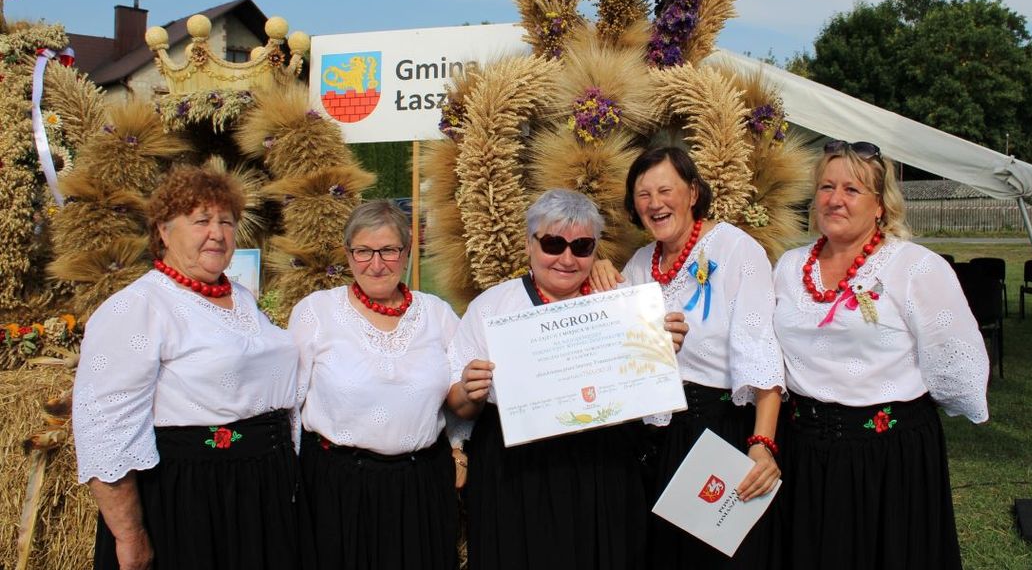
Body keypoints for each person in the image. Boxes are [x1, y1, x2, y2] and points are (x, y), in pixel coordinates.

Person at [72, 165, 307, 570]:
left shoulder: (241, 299)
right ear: (164, 231)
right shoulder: (139, 307)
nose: (216, 233)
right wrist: (130, 536)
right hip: (193, 497)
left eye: (226, 221)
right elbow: (106, 432)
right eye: (201, 220)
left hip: (260, 490)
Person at [771, 140, 989, 570]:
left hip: (888, 458)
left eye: (852, 190)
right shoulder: (789, 266)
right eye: (826, 187)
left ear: (879, 206)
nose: (835, 200)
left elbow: (957, 364)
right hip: (804, 451)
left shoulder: (915, 268)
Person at [447, 188, 686, 570]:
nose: (566, 258)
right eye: (553, 243)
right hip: (516, 469)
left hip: (602, 464)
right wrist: (467, 389)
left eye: (581, 247)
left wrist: (661, 347)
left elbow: (647, 386)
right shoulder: (492, 307)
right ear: (529, 244)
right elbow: (458, 406)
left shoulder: (622, 301)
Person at [600, 145, 785, 569]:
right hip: (655, 439)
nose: (654, 203)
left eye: (666, 189)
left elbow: (761, 353)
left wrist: (762, 445)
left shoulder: (737, 251)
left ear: (693, 192)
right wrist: (599, 271)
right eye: (643, 195)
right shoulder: (640, 263)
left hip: (716, 431)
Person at [288, 199, 463, 569]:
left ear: (407, 251)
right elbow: (290, 401)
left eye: (388, 250)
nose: (377, 263)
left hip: (420, 486)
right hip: (338, 486)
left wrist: (459, 448)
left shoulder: (437, 314)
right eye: (364, 251)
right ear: (349, 254)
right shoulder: (316, 312)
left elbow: (460, 393)